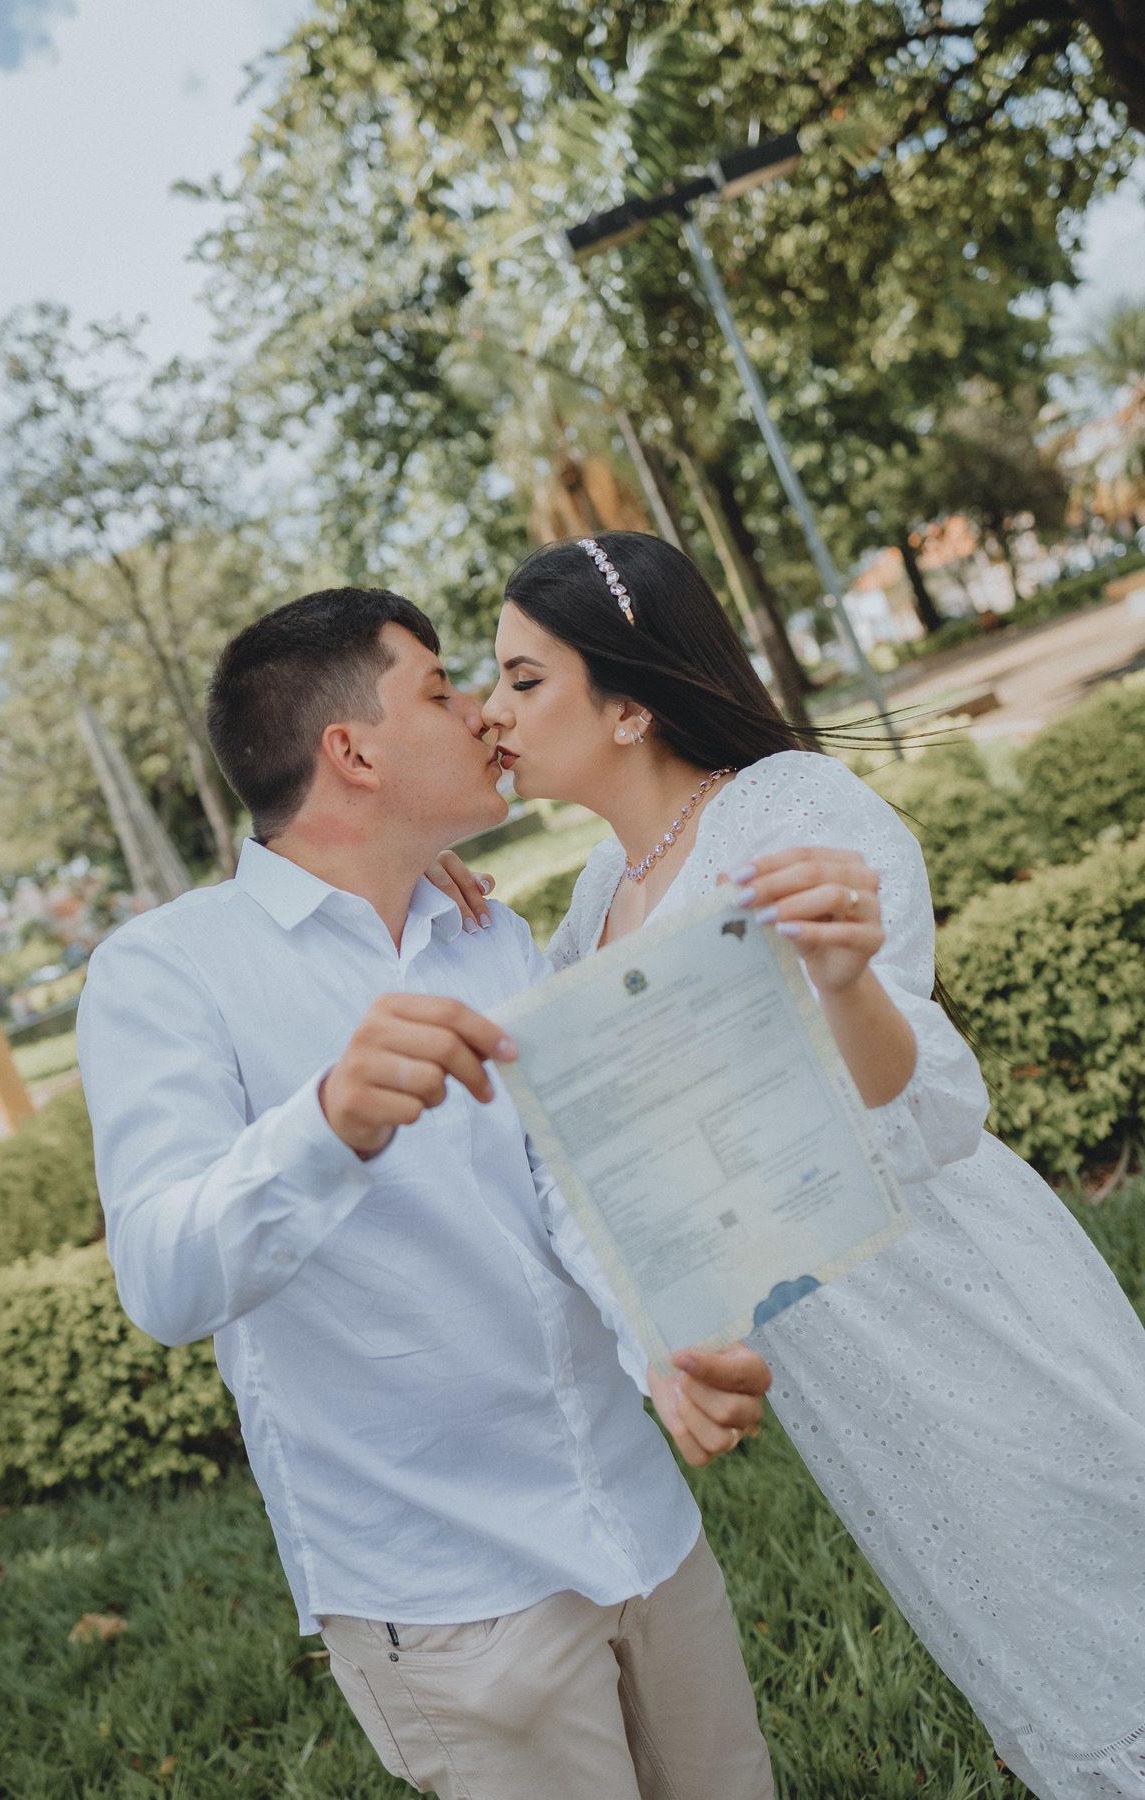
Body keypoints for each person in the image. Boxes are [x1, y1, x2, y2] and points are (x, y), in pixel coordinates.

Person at [474, 531, 1145, 1800]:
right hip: (835, 1353)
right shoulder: (597, 898)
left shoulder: (791, 809)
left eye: (521, 678)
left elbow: (926, 1109)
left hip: (951, 1287)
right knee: (1023, 1641)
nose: (489, 711)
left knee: (1107, 1575)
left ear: (627, 705)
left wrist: (846, 982)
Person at [76, 585, 776, 1800]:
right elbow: (163, 1278)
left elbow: (564, 1184)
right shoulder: (167, 972)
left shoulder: (488, 935)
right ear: (353, 753)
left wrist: (655, 1348)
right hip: (453, 1598)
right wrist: (326, 1125)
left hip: (643, 1525)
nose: (484, 715)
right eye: (444, 690)